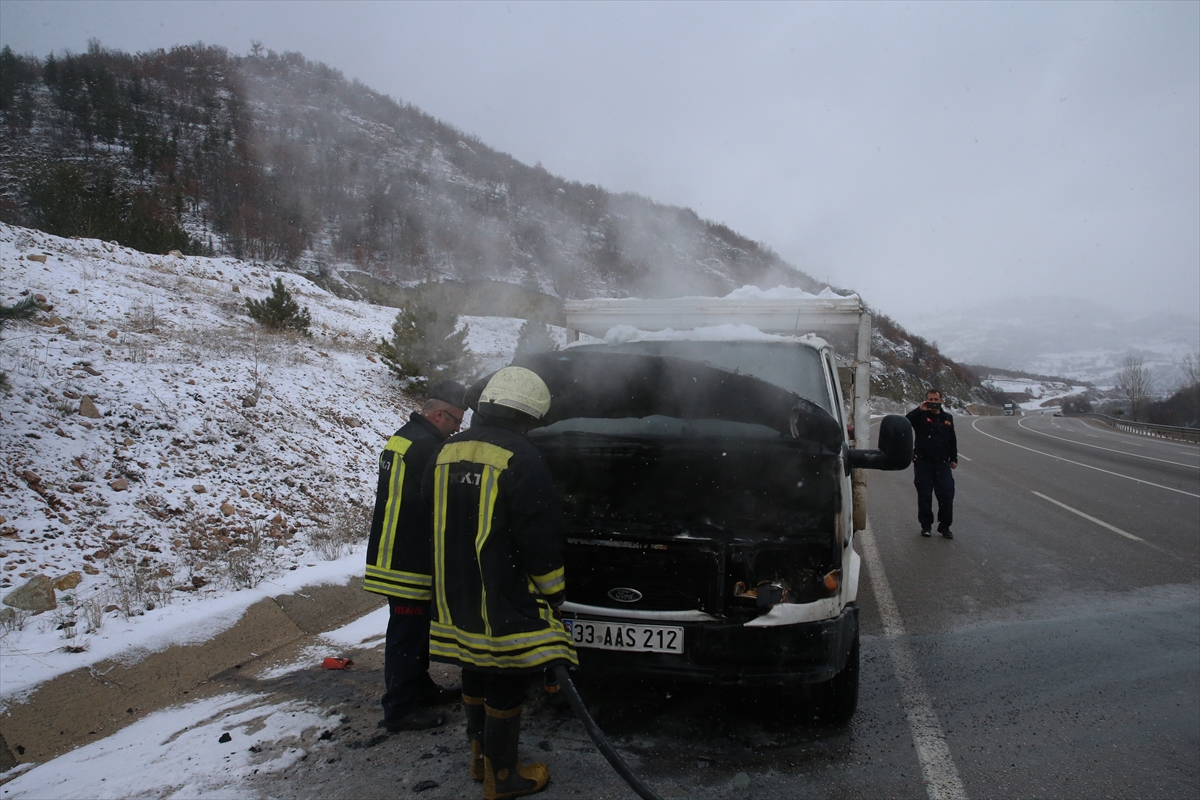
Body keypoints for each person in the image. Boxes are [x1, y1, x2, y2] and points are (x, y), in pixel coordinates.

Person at [422, 366, 577, 800]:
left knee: (473, 669)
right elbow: (538, 537)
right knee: (506, 676)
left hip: (454, 592)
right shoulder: (521, 456)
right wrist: (553, 592)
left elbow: (428, 510)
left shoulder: (445, 450)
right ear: (530, 415)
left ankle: (481, 760)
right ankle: (504, 777)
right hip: (500, 593)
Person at [364, 380, 468, 731]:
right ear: (439, 414)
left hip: (395, 549)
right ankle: (400, 708)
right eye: (456, 421)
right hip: (409, 558)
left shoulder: (405, 437)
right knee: (407, 634)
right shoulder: (429, 448)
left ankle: (419, 688)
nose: (458, 429)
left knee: (416, 628)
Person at [906, 389, 958, 539]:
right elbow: (906, 422)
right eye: (931, 400)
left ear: (941, 401)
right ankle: (926, 525)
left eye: (936, 399)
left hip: (943, 464)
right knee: (924, 495)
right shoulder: (920, 417)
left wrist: (954, 458)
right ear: (926, 400)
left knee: (947, 494)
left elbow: (952, 439)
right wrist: (920, 409)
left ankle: (945, 526)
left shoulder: (947, 418)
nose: (933, 402)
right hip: (923, 463)